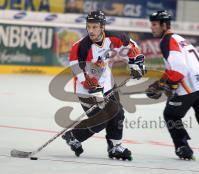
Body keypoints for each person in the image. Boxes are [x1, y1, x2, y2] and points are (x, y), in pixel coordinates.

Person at [146, 10, 199, 163]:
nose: (151, 28)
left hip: (190, 87)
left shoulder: (167, 41)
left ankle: (183, 147)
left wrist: (169, 86)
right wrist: (162, 83)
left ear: (164, 25)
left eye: (154, 24)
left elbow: (179, 68)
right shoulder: (179, 38)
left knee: (171, 115)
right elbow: (174, 67)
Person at [62, 10, 145, 160]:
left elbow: (131, 47)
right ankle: (73, 135)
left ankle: (115, 146)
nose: (91, 30)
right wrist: (91, 85)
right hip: (85, 90)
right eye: (89, 27)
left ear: (102, 27)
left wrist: (136, 64)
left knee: (118, 113)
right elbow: (77, 69)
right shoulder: (81, 47)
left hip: (107, 84)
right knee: (101, 120)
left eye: (95, 27)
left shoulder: (114, 37)